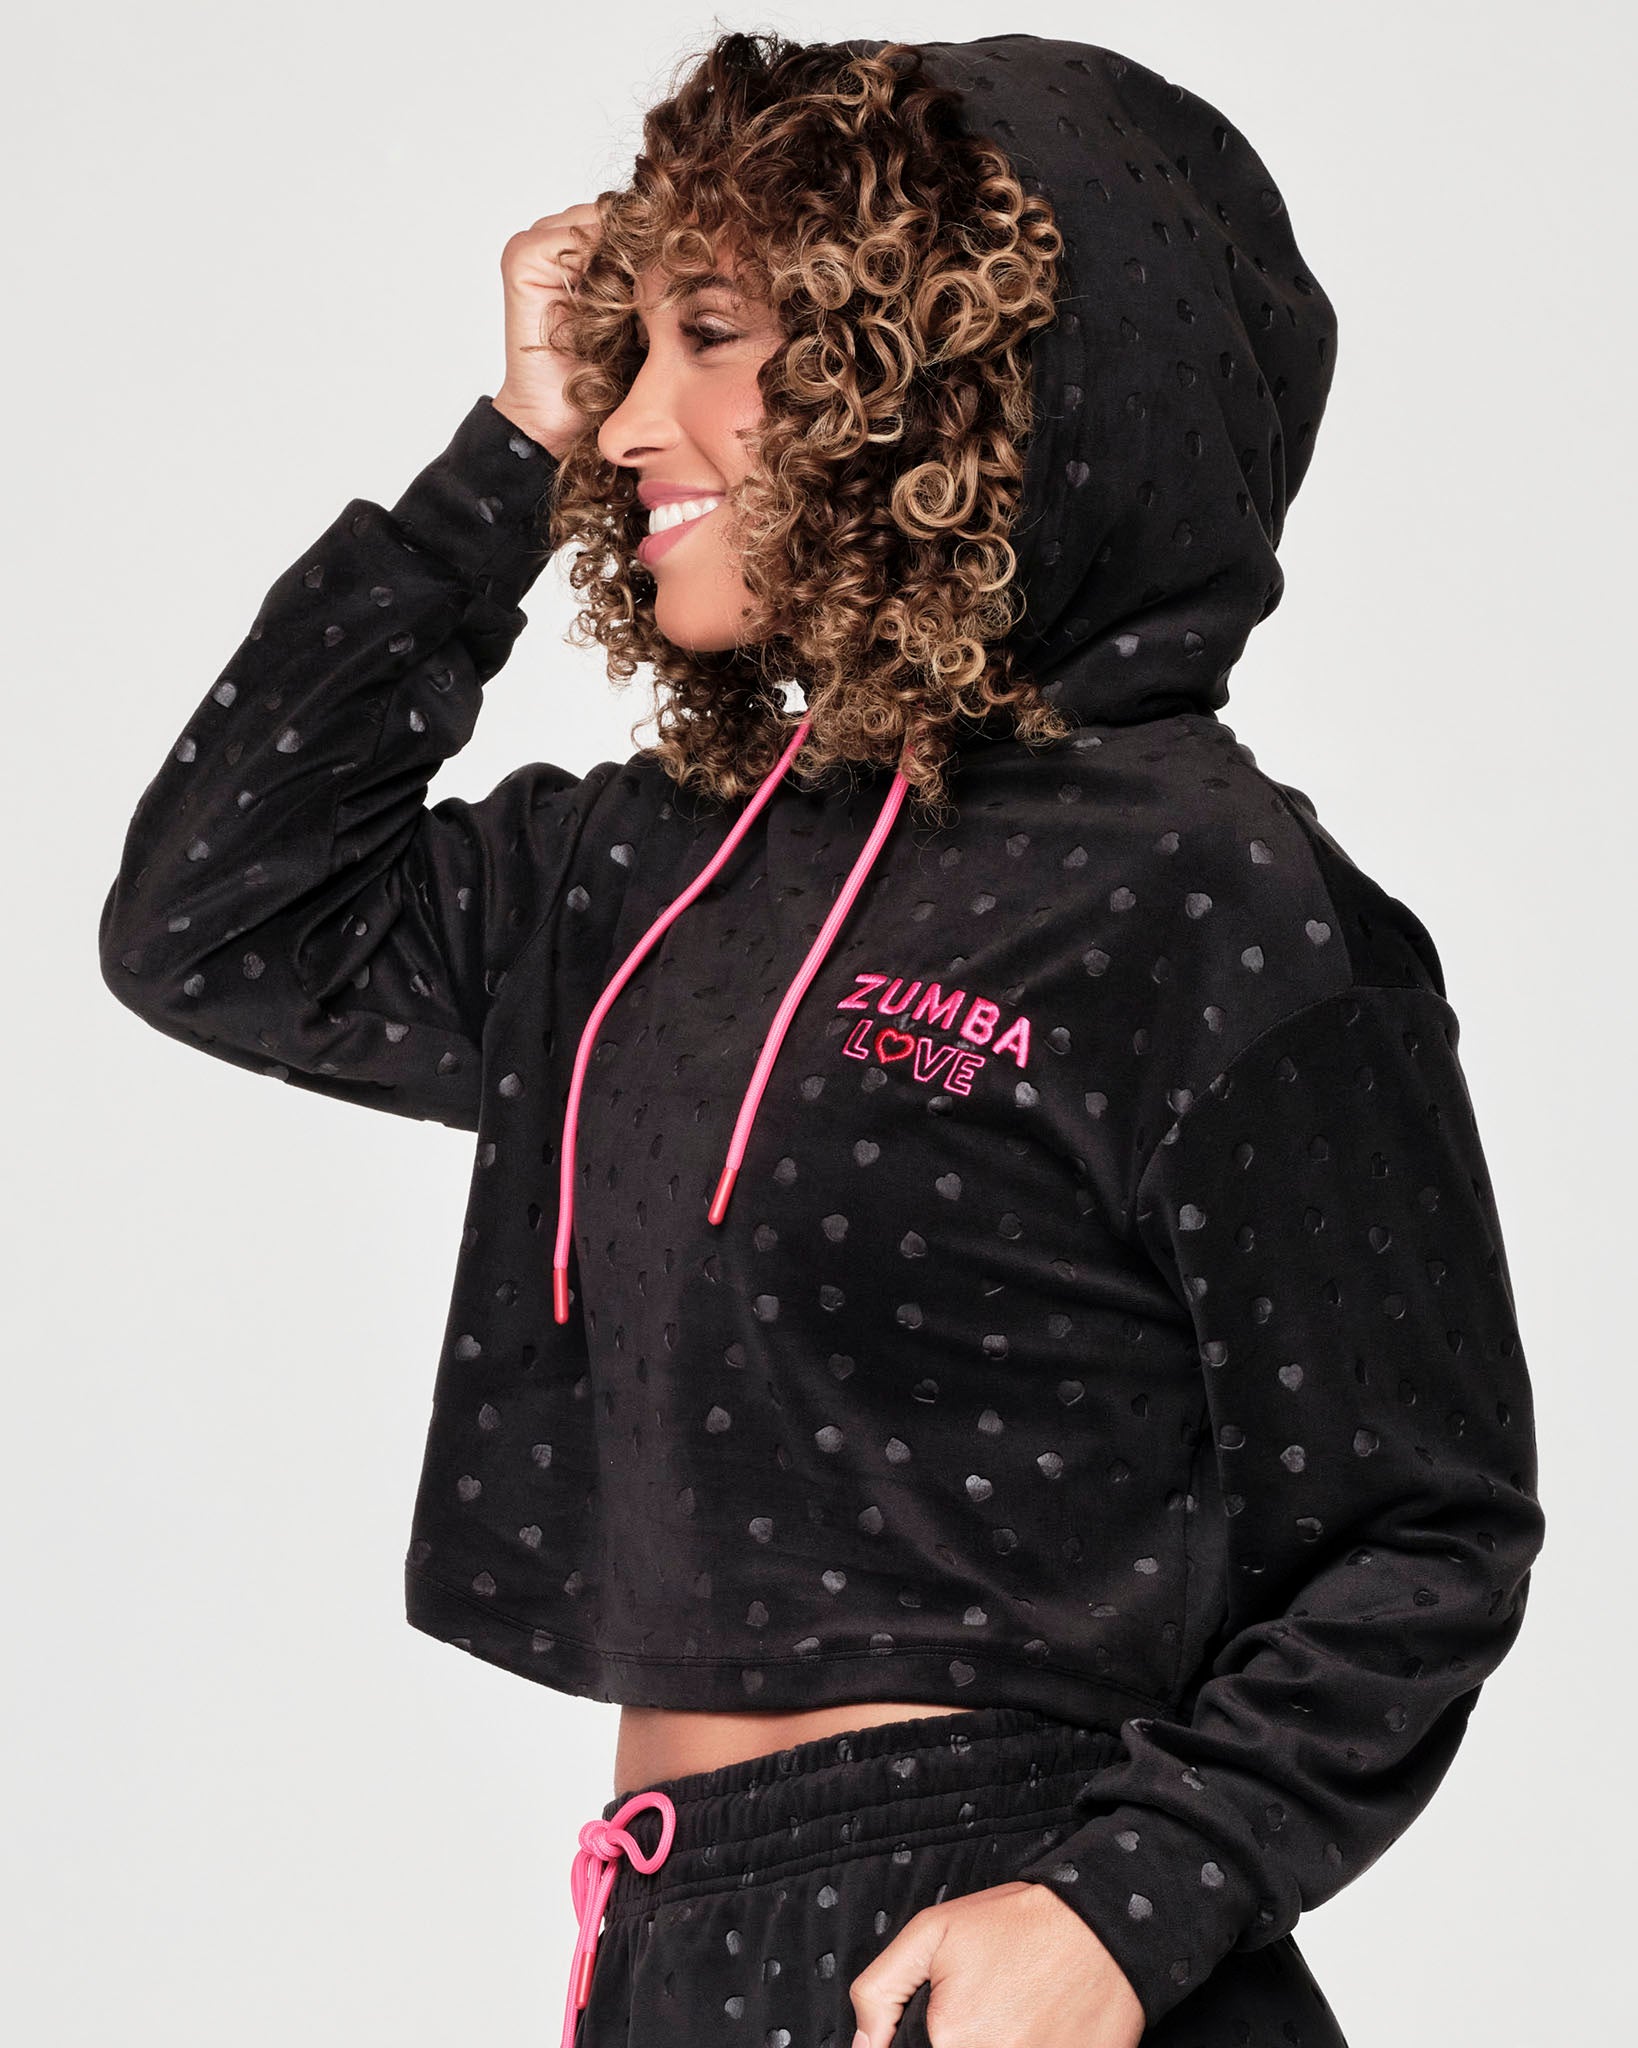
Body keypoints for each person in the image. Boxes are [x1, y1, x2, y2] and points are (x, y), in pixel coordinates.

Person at [98, 29, 1547, 2048]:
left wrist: (1125, 1909)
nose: (630, 423)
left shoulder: (1213, 901)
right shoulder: (642, 868)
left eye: (710, 337)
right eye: (626, 350)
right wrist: (506, 446)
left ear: (942, 381)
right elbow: (218, 923)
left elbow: (1422, 1524)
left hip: (1008, 1934)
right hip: (670, 1928)